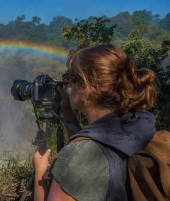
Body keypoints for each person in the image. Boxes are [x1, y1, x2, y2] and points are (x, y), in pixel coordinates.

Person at [32, 44, 159, 201]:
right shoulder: (140, 122)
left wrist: (39, 173)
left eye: (68, 79)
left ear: (86, 89)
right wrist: (67, 111)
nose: (66, 86)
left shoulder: (79, 156)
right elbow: (95, 145)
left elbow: (84, 153)